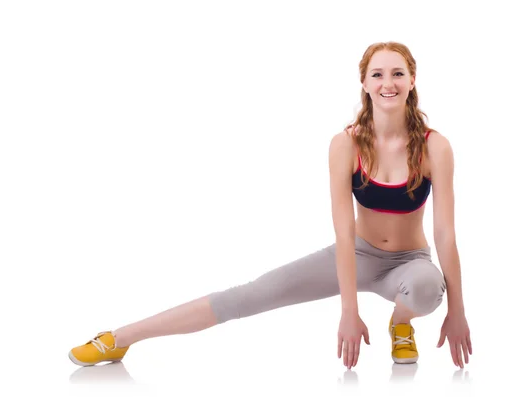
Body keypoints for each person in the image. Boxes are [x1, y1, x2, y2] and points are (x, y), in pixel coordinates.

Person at [68, 41, 472, 370]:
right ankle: (119, 338)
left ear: (413, 79)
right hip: (356, 253)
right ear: (364, 84)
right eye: (378, 74)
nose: (389, 83)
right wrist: (349, 310)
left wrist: (457, 312)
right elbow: (344, 231)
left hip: (409, 261)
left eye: (398, 73)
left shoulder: (435, 147)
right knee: (248, 296)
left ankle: (400, 326)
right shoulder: (346, 144)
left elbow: (445, 235)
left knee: (426, 287)